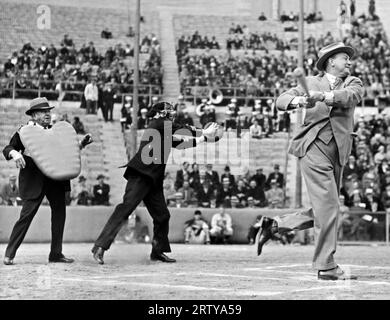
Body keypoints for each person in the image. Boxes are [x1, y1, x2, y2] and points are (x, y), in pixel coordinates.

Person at [256, 43, 364, 280]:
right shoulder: (310, 82)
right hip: (313, 147)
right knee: (329, 207)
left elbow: (351, 97)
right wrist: (299, 102)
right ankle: (326, 265)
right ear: (330, 61)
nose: (348, 61)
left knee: (328, 208)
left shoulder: (353, 82)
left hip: (338, 153)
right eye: (344, 57)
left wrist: (323, 96)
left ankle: (275, 225)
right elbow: (281, 100)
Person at [91, 102, 219, 264]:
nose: (171, 113)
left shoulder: (162, 128)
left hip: (153, 178)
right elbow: (180, 129)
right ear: (159, 113)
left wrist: (202, 139)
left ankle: (157, 252)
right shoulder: (158, 123)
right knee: (125, 209)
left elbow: (179, 143)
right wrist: (203, 131)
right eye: (168, 111)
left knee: (162, 216)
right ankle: (100, 246)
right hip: (141, 175)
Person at [2, 97, 92, 265]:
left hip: (55, 179)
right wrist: (16, 154)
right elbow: (8, 148)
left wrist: (81, 145)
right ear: (34, 115)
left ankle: (56, 254)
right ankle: (9, 253)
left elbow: (65, 151)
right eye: (43, 112)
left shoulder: (55, 131)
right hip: (34, 179)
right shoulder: (25, 131)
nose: (47, 115)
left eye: (48, 111)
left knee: (59, 215)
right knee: (26, 216)